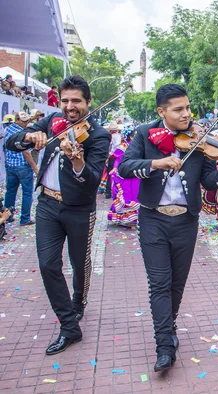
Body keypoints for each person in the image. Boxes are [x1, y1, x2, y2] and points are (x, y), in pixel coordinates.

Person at [119, 84, 218, 372]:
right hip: (153, 219)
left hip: (186, 220)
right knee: (159, 283)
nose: (186, 114)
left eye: (188, 107)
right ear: (162, 111)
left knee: (176, 283)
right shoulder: (145, 134)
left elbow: (209, 183)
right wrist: (157, 162)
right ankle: (164, 346)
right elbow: (125, 167)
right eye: (178, 109)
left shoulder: (199, 139)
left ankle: (169, 325)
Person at [5, 75, 110, 354]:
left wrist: (78, 160)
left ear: (88, 102)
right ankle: (68, 326)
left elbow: (91, 180)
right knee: (48, 265)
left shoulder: (98, 135)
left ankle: (78, 304)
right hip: (48, 205)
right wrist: (28, 136)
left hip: (79, 209)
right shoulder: (51, 122)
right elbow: (10, 141)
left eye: (76, 100)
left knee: (79, 262)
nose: (70, 106)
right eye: (65, 100)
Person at [4, 112, 38, 226]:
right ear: (17, 120)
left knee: (10, 192)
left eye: (26, 120)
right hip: (22, 165)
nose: (25, 122)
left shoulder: (8, 129)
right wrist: (35, 168)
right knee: (27, 192)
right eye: (23, 121)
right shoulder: (22, 133)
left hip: (10, 165)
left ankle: (8, 216)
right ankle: (25, 218)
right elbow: (26, 153)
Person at [107, 126, 140, 226]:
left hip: (135, 175)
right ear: (130, 137)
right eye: (135, 136)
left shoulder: (138, 147)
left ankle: (133, 218)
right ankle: (125, 219)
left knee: (136, 195)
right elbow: (118, 160)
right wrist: (115, 168)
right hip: (125, 175)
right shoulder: (123, 146)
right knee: (126, 195)